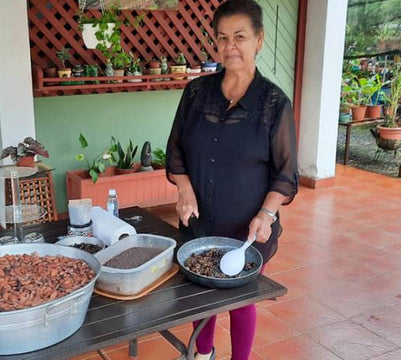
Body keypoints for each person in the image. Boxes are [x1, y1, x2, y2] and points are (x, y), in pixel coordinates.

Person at [165, 0, 298, 358]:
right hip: (199, 221)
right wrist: (184, 189)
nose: (230, 47)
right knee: (199, 299)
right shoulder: (196, 93)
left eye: (239, 37)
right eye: (222, 38)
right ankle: (202, 354)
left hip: (247, 227)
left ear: (259, 40)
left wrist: (267, 214)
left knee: (241, 302)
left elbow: (286, 175)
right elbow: (175, 150)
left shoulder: (274, 103)